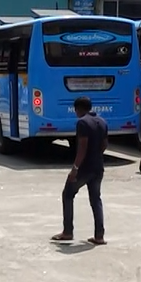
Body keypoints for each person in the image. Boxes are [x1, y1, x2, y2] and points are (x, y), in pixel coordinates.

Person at [52, 97, 109, 245]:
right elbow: (104, 144)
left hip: (84, 168)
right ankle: (99, 236)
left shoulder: (82, 123)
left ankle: (67, 231)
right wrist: (96, 156)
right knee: (96, 199)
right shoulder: (102, 122)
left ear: (78, 109)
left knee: (67, 194)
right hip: (98, 166)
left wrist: (75, 169)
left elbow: (82, 147)